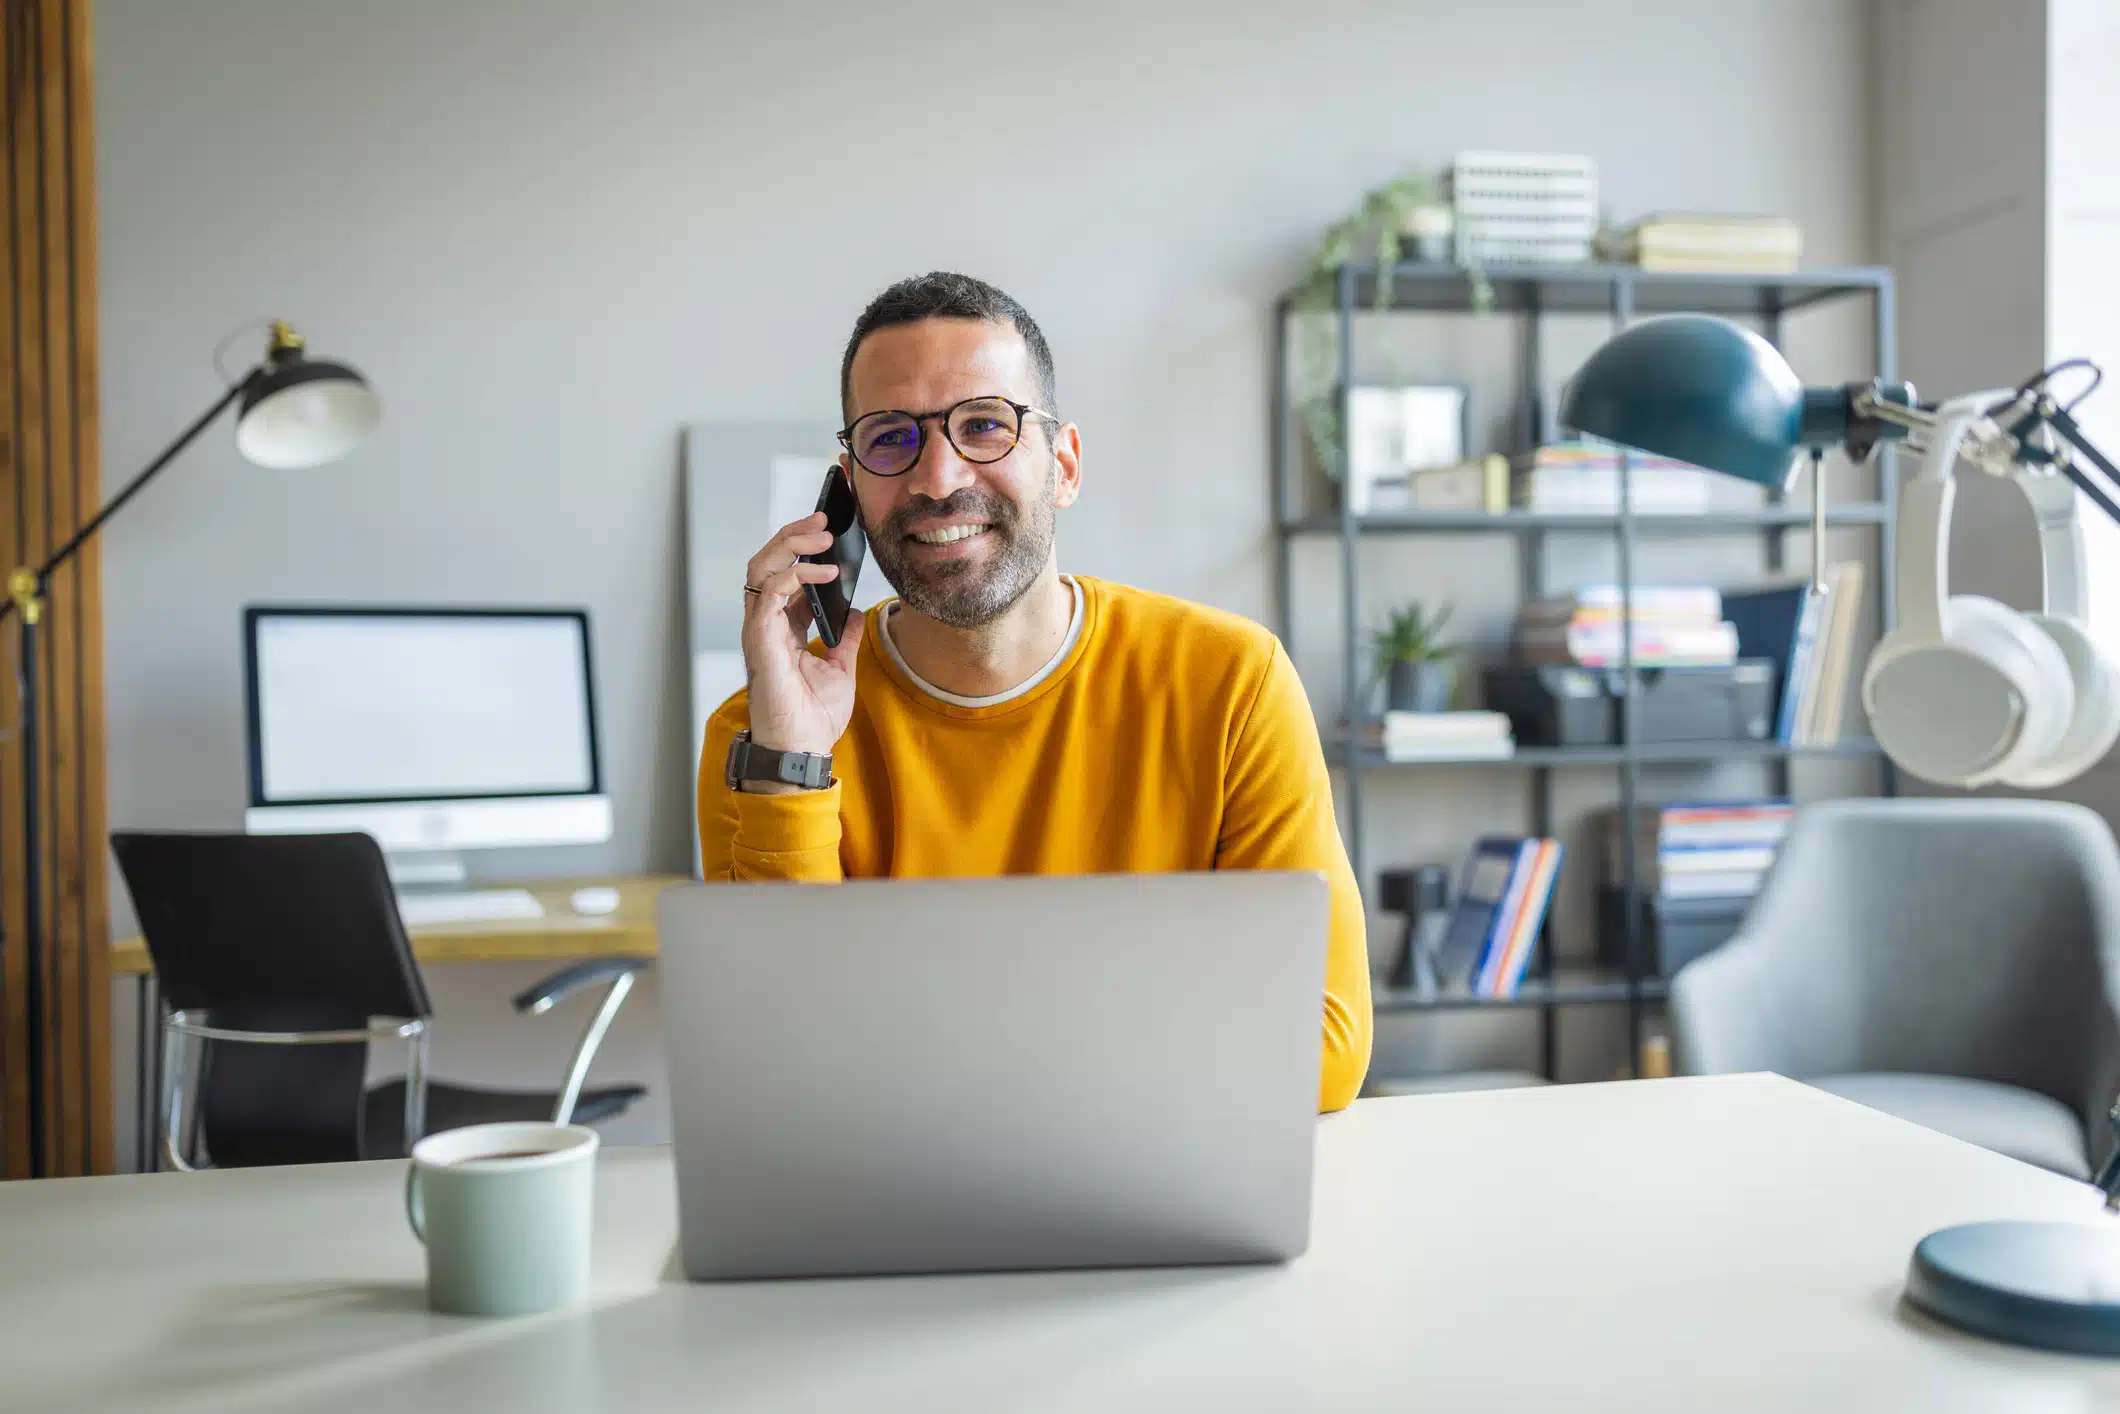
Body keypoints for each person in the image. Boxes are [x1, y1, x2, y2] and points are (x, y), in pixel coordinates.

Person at [697, 272, 1372, 1111]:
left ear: (1065, 464)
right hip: (891, 1211)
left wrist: (949, 1073)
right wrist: (793, 766)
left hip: (1149, 1193)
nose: (937, 477)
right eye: (891, 439)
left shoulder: (1229, 683)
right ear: (849, 489)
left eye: (984, 425)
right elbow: (772, 1064)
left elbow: (1323, 1043)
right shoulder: (763, 734)